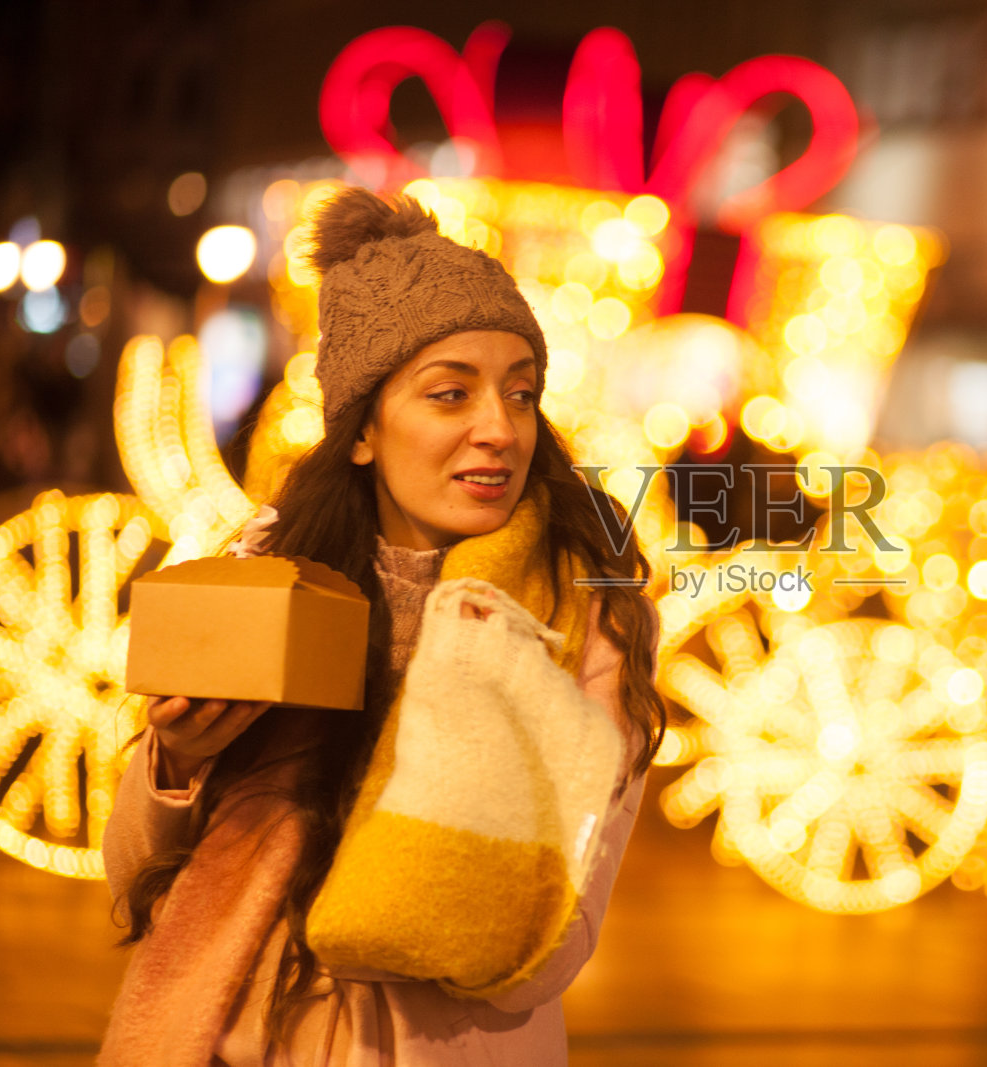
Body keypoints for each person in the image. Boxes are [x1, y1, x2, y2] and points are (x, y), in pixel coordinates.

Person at [98, 187, 665, 1065]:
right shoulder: (269, 585)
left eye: (521, 395)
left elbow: (553, 945)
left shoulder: (585, 620)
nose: (499, 430)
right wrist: (178, 764)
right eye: (451, 394)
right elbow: (131, 874)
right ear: (362, 430)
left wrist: (414, 897)